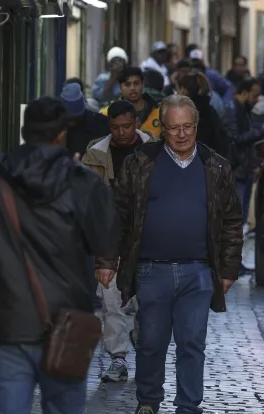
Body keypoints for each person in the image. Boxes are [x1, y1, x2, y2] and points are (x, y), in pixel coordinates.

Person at [0, 96, 119, 414]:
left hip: (5, 322)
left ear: (25, 132)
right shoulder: (82, 183)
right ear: (62, 134)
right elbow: (105, 241)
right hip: (66, 324)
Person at [96, 95, 243, 414]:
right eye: (173, 128)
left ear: (196, 126)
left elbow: (233, 221)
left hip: (199, 271)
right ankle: (147, 402)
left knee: (192, 343)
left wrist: (228, 269)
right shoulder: (140, 163)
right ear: (161, 128)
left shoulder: (216, 166)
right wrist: (106, 260)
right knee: (150, 342)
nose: (181, 134)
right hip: (151, 270)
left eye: (187, 127)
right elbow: (116, 216)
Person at [82, 100, 153, 383]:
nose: (121, 132)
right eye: (115, 128)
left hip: (147, 237)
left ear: (136, 122)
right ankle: (118, 358)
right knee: (110, 299)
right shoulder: (96, 154)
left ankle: (145, 348)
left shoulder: (155, 150)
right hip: (109, 236)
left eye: (126, 126)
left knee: (146, 301)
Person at [224, 78, 264, 225]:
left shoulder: (243, 109)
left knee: (242, 209)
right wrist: (260, 131)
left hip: (243, 167)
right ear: (244, 93)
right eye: (254, 96)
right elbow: (236, 138)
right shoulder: (233, 110)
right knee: (238, 210)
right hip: (237, 167)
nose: (256, 100)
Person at [100, 67, 162, 138]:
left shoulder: (159, 113)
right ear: (120, 87)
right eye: (127, 84)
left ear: (142, 84)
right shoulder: (106, 114)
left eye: (136, 83)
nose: (132, 88)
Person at [60, 83, 109, 157]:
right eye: (69, 118)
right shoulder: (54, 126)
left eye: (74, 117)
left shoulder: (101, 124)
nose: (71, 121)